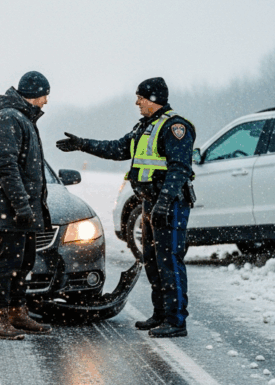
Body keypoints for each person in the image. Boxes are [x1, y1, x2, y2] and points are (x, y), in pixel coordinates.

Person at [57, 77, 196, 338]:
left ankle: (176, 321)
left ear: (153, 99)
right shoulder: (146, 127)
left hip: (170, 205)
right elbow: (118, 148)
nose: (137, 102)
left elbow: (179, 169)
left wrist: (164, 202)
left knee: (170, 261)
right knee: (153, 260)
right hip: (150, 203)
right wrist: (82, 144)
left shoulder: (175, 127)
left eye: (141, 98)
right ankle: (160, 314)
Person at [0, 71, 55, 340]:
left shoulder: (22, 118)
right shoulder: (9, 118)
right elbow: (6, 166)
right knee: (7, 263)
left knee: (24, 261)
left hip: (23, 209)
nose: (47, 100)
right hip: (12, 209)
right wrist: (21, 206)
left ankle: (17, 312)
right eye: (45, 94)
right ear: (34, 93)